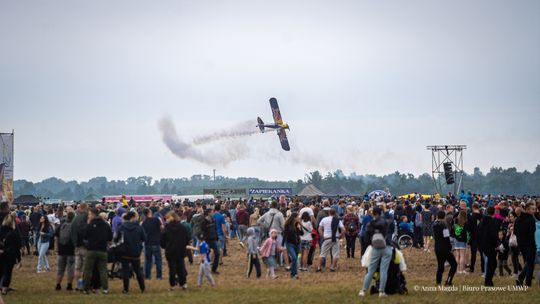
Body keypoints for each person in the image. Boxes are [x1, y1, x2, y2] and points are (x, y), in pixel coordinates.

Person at [359, 207, 393, 297]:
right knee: (384, 270)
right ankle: (381, 291)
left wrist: (371, 244)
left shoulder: (370, 224)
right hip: (386, 246)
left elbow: (366, 237)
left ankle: (363, 290)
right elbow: (391, 222)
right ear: (380, 213)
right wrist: (386, 211)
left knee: (370, 271)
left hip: (375, 247)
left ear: (373, 213)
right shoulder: (385, 222)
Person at [82, 207, 112, 294]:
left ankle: (86, 288)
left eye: (89, 215)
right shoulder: (106, 224)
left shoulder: (90, 225)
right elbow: (110, 238)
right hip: (102, 250)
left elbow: (85, 236)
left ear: (93, 214)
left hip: (91, 250)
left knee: (88, 270)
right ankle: (105, 289)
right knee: (103, 270)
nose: (89, 216)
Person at [116, 211, 146, 293]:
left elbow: (116, 238)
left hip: (125, 252)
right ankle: (142, 288)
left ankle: (126, 289)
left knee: (125, 271)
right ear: (133, 217)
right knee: (138, 271)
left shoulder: (122, 227)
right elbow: (144, 238)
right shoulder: (139, 227)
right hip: (136, 252)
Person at [161, 211, 190, 290]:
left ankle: (172, 285)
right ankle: (183, 283)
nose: (166, 220)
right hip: (180, 250)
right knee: (181, 267)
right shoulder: (182, 227)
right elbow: (187, 238)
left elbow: (162, 240)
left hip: (170, 251)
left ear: (171, 217)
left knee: (172, 269)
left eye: (167, 218)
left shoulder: (166, 228)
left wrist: (165, 246)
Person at [514, 202, 537, 287]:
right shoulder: (531, 220)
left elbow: (515, 232)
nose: (534, 211)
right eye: (532, 209)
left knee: (528, 262)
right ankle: (527, 282)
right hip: (530, 244)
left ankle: (521, 278)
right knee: (530, 264)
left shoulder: (518, 219)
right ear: (527, 209)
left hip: (521, 244)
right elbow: (532, 233)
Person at [432, 210, 457, 286]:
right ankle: (449, 281)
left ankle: (438, 282)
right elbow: (446, 237)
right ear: (444, 217)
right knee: (454, 264)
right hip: (445, 248)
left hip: (437, 247)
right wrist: (450, 247)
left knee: (440, 265)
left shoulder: (434, 224)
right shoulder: (444, 225)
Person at [0, 213, 21, 295]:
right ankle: (4, 288)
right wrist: (19, 259)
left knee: (0, 271)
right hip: (10, 255)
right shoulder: (14, 233)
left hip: (1, 253)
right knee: (7, 272)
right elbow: (17, 247)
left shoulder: (0, 230)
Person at [317, 208, 344, 272]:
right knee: (335, 254)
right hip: (335, 238)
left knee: (322, 254)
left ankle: (319, 267)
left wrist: (322, 235)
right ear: (335, 213)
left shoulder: (324, 219)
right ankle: (332, 267)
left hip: (327, 238)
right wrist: (340, 236)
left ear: (329, 213)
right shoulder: (337, 220)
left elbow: (319, 228)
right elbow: (343, 230)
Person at [55, 211, 75, 291]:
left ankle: (58, 285)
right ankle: (69, 285)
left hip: (61, 250)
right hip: (71, 250)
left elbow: (56, 237)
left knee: (60, 269)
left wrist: (56, 248)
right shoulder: (74, 226)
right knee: (70, 269)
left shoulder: (60, 226)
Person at [70, 203, 88, 291]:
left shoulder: (74, 218)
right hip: (84, 246)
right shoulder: (85, 217)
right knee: (85, 267)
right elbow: (85, 231)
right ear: (84, 208)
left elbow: (71, 232)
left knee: (77, 267)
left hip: (76, 246)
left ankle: (78, 285)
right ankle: (84, 285)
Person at [141, 208, 162, 280]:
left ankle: (147, 276)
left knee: (148, 260)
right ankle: (159, 276)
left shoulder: (144, 223)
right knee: (158, 260)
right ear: (149, 212)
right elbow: (161, 228)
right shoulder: (156, 220)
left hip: (147, 243)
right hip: (156, 242)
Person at [282, 212, 302, 279]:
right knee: (294, 258)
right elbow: (285, 235)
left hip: (297, 243)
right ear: (294, 218)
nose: (299, 218)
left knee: (295, 259)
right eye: (298, 217)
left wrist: (300, 227)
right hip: (290, 243)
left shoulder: (297, 225)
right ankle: (293, 274)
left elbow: (301, 233)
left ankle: (294, 274)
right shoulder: (288, 225)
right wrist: (282, 244)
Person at [202, 209, 220, 274]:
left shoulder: (213, 220)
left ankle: (214, 269)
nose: (213, 213)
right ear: (209, 213)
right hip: (207, 240)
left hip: (213, 239)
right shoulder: (204, 222)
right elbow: (202, 231)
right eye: (212, 212)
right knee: (206, 255)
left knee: (217, 253)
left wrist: (217, 237)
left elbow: (215, 229)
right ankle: (205, 269)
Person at [468, 203, 483, 273]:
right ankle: (483, 268)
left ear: (473, 208)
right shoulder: (482, 216)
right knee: (482, 253)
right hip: (481, 237)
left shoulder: (471, 217)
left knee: (473, 254)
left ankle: (472, 268)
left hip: (473, 237)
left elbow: (469, 228)